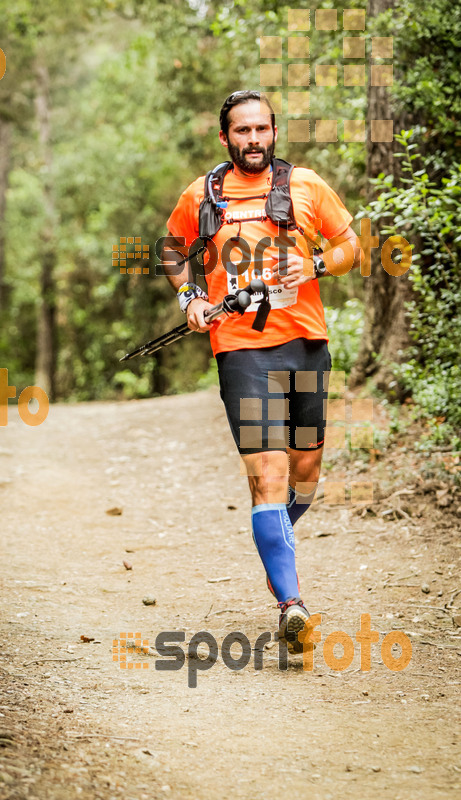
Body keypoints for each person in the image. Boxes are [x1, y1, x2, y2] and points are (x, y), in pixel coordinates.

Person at [163, 90, 363, 654]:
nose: (253, 139)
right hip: (240, 350)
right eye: (242, 131)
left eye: (262, 129)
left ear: (274, 132)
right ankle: (292, 605)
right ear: (224, 137)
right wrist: (191, 299)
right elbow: (171, 249)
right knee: (269, 474)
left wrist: (317, 263)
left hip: (306, 344)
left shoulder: (305, 185)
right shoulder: (203, 194)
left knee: (304, 474)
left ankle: (272, 536)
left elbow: (352, 247)